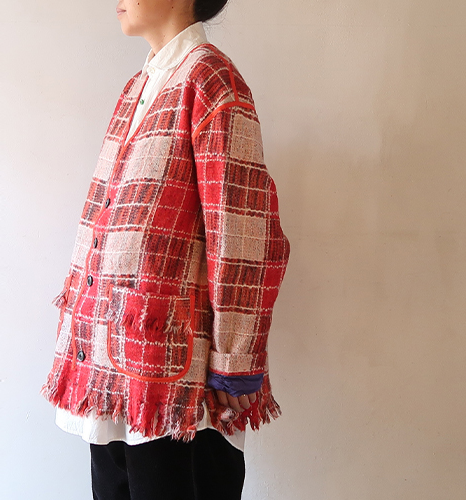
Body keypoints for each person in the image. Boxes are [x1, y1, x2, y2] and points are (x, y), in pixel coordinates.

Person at [40, 1, 290, 498]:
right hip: (112, 372)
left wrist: (235, 360)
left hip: (177, 385)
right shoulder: (138, 86)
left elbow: (242, 229)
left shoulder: (211, 81)